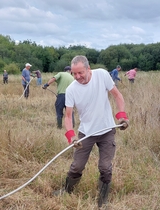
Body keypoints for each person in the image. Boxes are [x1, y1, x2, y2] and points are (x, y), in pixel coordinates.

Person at [54, 55, 129, 208]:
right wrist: (71, 136)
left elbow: (117, 95)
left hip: (107, 130)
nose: (77, 77)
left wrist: (122, 116)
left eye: (80, 72)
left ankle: (103, 200)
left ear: (88, 68)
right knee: (77, 166)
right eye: (74, 73)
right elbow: (68, 117)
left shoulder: (101, 75)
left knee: (105, 167)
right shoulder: (71, 89)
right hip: (86, 133)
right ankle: (67, 190)